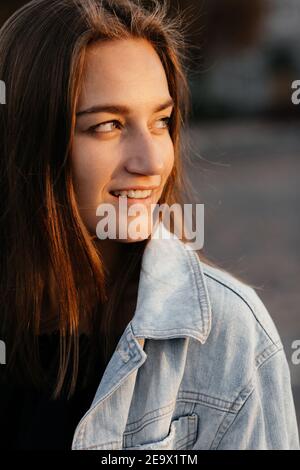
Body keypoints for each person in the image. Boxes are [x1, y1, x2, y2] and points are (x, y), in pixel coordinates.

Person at [0, 0, 299, 450]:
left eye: (161, 121)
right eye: (108, 125)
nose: (152, 161)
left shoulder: (229, 337)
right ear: (28, 140)